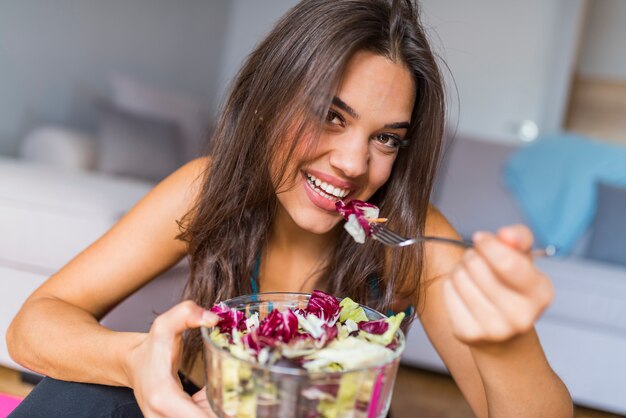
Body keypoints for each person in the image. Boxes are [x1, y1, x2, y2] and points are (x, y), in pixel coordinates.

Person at [7, 0, 573, 416]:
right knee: (77, 397)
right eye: (331, 115)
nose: (353, 163)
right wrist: (134, 361)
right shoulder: (207, 188)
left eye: (387, 139)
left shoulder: (412, 236)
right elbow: (35, 324)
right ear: (270, 101)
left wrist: (506, 343)